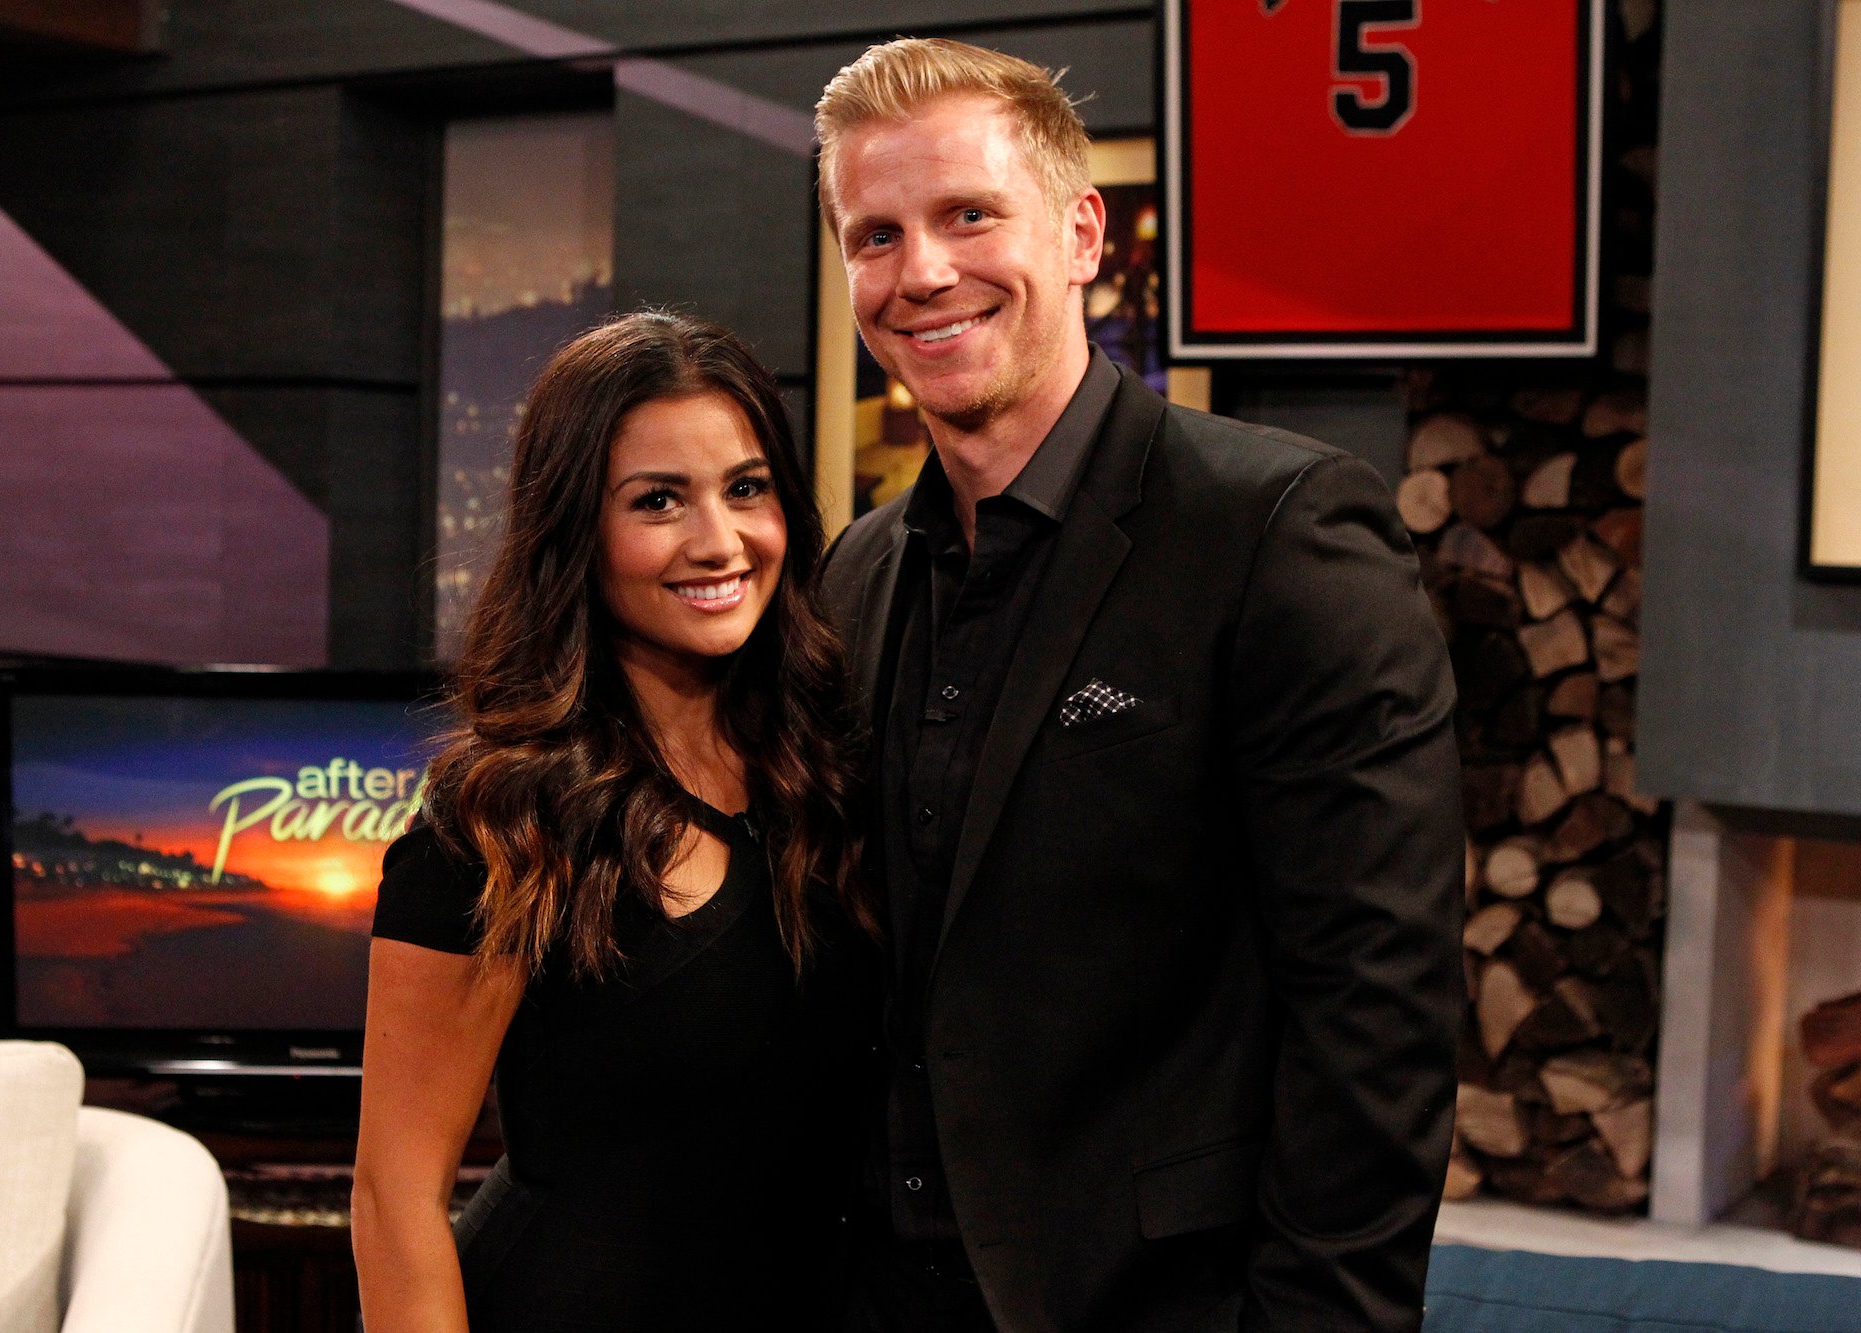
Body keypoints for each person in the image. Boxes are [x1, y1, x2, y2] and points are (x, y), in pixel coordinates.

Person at [814, 39, 1465, 1332]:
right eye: (874, 234)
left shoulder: (1279, 530)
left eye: (967, 215)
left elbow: (1374, 1020)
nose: (922, 272)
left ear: (1080, 234)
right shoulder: (856, 573)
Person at [352, 312, 876, 1332]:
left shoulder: (828, 761)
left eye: (746, 487)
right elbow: (393, 1197)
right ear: (574, 532)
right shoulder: (498, 819)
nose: (717, 541)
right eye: (657, 501)